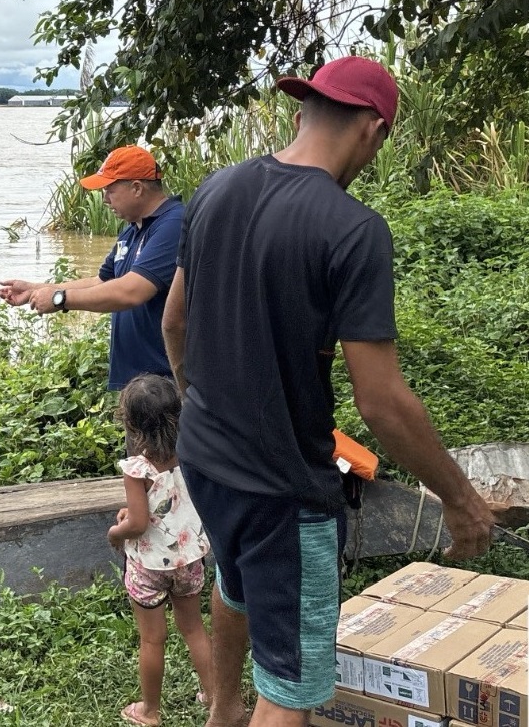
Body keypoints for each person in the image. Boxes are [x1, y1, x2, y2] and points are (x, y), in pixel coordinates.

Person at [161, 56, 494, 727]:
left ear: (298, 114)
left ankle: (222, 711)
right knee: (292, 688)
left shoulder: (214, 189)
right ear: (373, 131)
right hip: (283, 487)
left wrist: (202, 405)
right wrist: (460, 501)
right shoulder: (352, 229)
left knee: (235, 582)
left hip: (203, 457)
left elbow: (174, 320)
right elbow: (382, 403)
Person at [0, 145, 183, 392]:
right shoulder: (133, 229)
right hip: (137, 382)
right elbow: (102, 281)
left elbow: (133, 291)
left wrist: (60, 298)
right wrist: (37, 289)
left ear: (137, 188)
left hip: (166, 381)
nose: (104, 199)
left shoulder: (173, 224)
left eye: (110, 189)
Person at [108, 374, 213, 727]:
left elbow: (138, 524)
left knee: (152, 640)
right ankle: (215, 697)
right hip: (189, 559)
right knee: (194, 628)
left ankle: (149, 712)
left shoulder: (137, 469)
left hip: (150, 565)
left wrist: (115, 532)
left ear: (131, 425)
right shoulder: (192, 453)